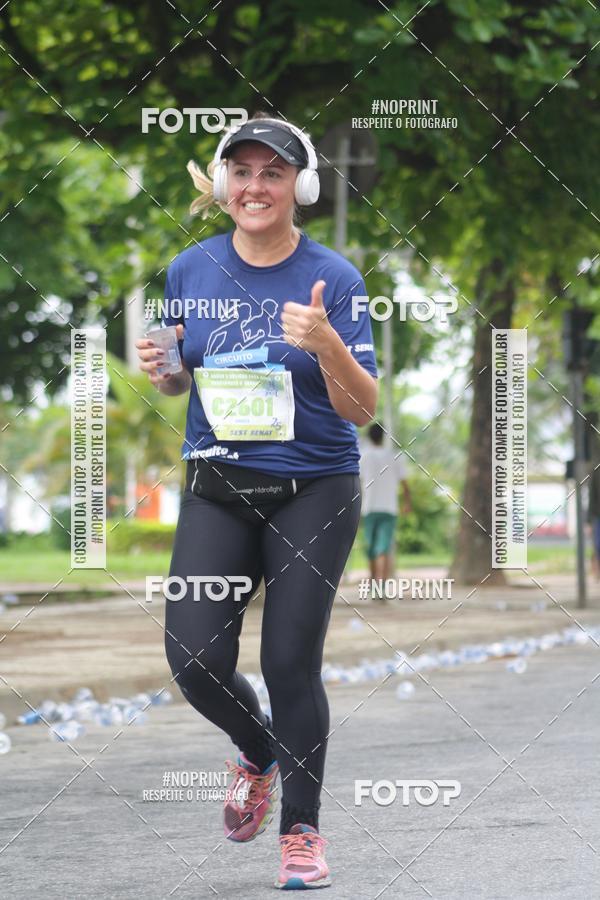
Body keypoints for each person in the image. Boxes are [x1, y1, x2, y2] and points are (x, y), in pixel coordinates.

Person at [136, 112, 378, 891]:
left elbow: (363, 409)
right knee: (194, 659)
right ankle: (259, 748)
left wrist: (326, 344)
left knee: (287, 659)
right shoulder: (189, 269)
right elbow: (182, 379)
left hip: (314, 488)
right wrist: (164, 370)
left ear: (299, 186)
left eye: (273, 172)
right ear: (226, 184)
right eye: (242, 172)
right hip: (219, 487)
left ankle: (301, 834)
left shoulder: (334, 279)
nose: (256, 186)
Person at [359, 423, 411, 593]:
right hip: (389, 508)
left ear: (369, 437)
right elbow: (405, 484)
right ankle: (381, 587)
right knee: (384, 548)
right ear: (383, 436)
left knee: (371, 549)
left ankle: (375, 586)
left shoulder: (363, 457)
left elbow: (357, 482)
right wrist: (407, 504)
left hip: (369, 508)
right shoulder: (394, 456)